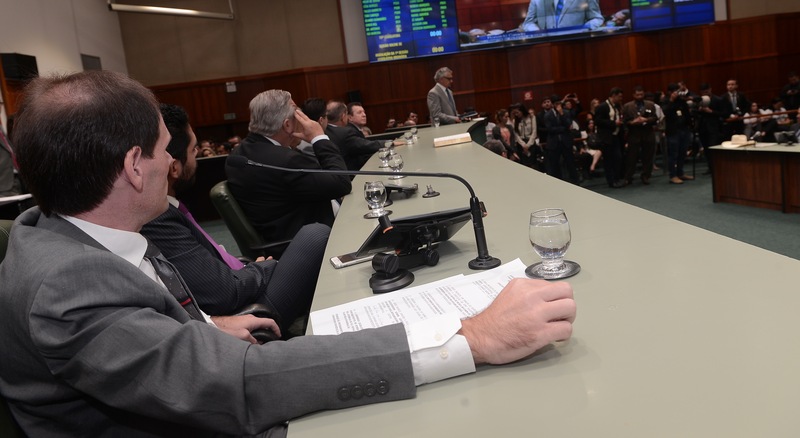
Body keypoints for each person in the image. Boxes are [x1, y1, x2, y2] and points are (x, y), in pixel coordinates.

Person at [0, 70, 577, 437]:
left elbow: (142, 336)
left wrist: (200, 326)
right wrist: (470, 338)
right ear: (133, 166)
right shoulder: (68, 287)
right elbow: (239, 383)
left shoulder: (63, 231)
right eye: (163, 149)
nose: (171, 163)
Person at [141, 104, 328, 331]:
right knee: (316, 235)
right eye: (193, 149)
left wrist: (252, 269)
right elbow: (224, 293)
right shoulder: (158, 218)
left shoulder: (170, 207)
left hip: (239, 280)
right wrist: (264, 268)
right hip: (246, 313)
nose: (197, 154)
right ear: (174, 168)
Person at [225, 89, 352, 243]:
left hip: (282, 234)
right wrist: (319, 138)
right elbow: (341, 183)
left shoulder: (240, 153)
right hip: (310, 241)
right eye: (297, 113)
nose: (302, 117)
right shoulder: (286, 160)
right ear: (287, 125)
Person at [621, 86, 657, 185]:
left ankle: (646, 176)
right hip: (634, 134)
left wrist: (646, 120)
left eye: (641, 94)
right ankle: (628, 177)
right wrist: (632, 122)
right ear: (633, 95)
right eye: (637, 95)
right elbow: (624, 121)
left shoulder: (650, 105)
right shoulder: (627, 106)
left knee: (648, 157)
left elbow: (655, 118)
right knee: (631, 157)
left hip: (648, 133)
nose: (640, 96)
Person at [541, 95, 578, 184]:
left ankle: (575, 182)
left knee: (571, 164)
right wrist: (563, 128)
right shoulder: (547, 115)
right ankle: (559, 184)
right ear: (553, 104)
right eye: (556, 104)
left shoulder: (566, 112)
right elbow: (550, 129)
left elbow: (569, 125)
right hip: (554, 143)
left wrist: (561, 114)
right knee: (555, 166)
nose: (558, 105)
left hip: (566, 142)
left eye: (559, 103)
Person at [663, 83, 694, 184]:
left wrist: (690, 126)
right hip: (673, 131)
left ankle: (680, 173)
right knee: (673, 154)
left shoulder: (681, 101)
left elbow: (687, 114)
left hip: (684, 129)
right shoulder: (665, 101)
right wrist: (671, 100)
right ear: (669, 92)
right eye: (674, 91)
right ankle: (673, 175)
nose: (677, 93)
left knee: (682, 153)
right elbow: (665, 112)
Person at [594, 88, 626, 188]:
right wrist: (613, 123)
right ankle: (611, 181)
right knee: (609, 160)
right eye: (619, 96)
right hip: (606, 137)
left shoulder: (617, 106)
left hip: (616, 136)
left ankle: (617, 178)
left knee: (618, 158)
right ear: (613, 95)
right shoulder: (602, 106)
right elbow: (598, 121)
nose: (621, 99)